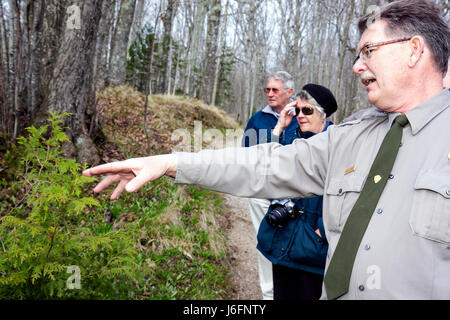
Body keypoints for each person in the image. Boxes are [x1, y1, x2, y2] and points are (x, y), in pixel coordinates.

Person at [83, 0, 450, 299]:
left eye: (369, 51)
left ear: (414, 50)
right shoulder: (352, 137)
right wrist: (172, 162)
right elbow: (264, 165)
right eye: (357, 55)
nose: (357, 66)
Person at [257, 84, 338, 300]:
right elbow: (265, 169)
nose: (301, 116)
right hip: (283, 240)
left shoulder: (338, 144)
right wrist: (279, 127)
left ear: (323, 114)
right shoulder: (291, 138)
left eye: (307, 110)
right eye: (298, 110)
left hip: (314, 249)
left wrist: (322, 229)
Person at [241, 71, 299, 300]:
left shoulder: (301, 116)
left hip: (293, 194)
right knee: (266, 240)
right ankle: (269, 294)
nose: (270, 94)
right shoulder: (258, 119)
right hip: (262, 192)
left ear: (289, 92)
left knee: (291, 242)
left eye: (275, 89)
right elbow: (246, 155)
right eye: (267, 90)